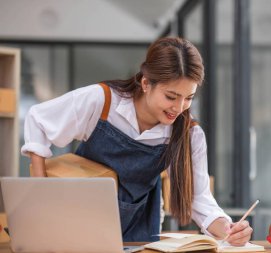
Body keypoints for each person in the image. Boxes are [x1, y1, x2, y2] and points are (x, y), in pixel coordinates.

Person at [22, 37, 253, 244]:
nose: (179, 108)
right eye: (171, 96)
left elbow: (198, 198)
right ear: (145, 84)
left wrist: (229, 229)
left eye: (188, 98)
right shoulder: (102, 102)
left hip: (138, 228)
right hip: (77, 216)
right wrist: (44, 193)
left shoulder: (188, 134)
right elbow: (39, 120)